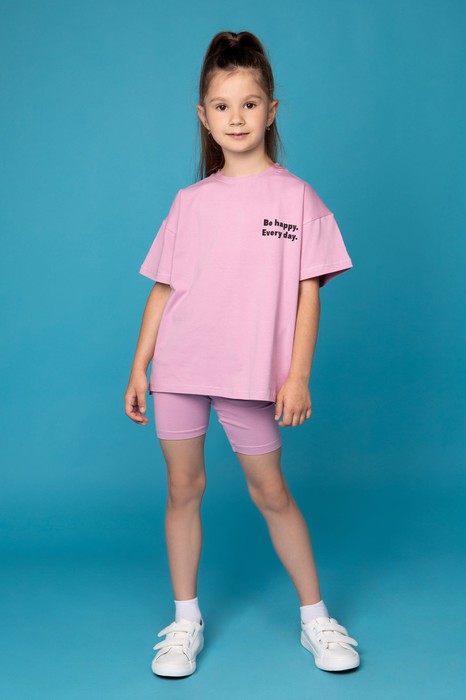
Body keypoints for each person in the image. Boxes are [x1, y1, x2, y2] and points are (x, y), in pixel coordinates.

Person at [125, 30, 360, 678]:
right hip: (180, 369)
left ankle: (316, 618)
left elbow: (308, 294)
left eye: (249, 104)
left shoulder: (297, 199)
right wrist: (140, 365)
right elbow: (163, 288)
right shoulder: (189, 203)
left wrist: (298, 376)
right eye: (222, 106)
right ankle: (185, 620)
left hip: (251, 377)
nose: (236, 118)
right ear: (204, 116)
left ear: (271, 110)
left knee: (271, 490)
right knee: (184, 489)